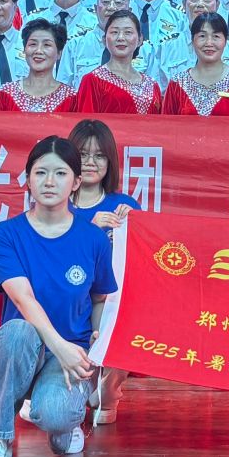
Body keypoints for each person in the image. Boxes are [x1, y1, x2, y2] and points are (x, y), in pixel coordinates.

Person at [0, 136, 116, 457]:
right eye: (40, 173)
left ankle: (65, 427)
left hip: (72, 349)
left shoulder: (93, 239)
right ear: (27, 180)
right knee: (16, 332)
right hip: (29, 346)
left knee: (55, 415)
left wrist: (95, 343)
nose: (49, 182)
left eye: (60, 173)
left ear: (76, 182)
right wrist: (59, 346)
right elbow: (23, 298)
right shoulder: (6, 234)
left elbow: (99, 299)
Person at [68, 118, 138, 425]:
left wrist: (135, 227)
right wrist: (90, 229)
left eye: (99, 155)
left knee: (125, 316)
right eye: (83, 154)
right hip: (70, 299)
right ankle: (52, 390)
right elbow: (48, 253)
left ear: (110, 162)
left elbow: (142, 259)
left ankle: (107, 394)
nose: (90, 162)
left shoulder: (123, 204)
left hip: (110, 300)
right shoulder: (56, 204)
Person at [161, 13, 229, 117]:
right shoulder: (177, 83)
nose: (209, 43)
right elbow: (167, 124)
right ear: (192, 41)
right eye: (202, 36)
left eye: (216, 36)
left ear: (225, 41)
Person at [75, 10, 163, 115]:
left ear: (140, 40)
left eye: (128, 32)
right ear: (104, 40)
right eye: (114, 32)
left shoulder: (152, 85)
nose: (121, 38)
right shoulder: (92, 81)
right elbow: (86, 122)